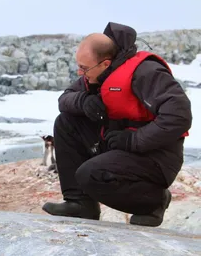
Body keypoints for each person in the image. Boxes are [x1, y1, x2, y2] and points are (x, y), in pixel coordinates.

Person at [42, 22, 192, 227]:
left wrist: (134, 140)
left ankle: (154, 202)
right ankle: (80, 203)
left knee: (90, 174)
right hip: (119, 144)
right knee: (66, 121)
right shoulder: (97, 73)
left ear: (105, 63)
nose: (79, 72)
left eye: (84, 68)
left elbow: (179, 116)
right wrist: (84, 102)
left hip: (154, 156)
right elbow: (64, 100)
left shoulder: (146, 72)